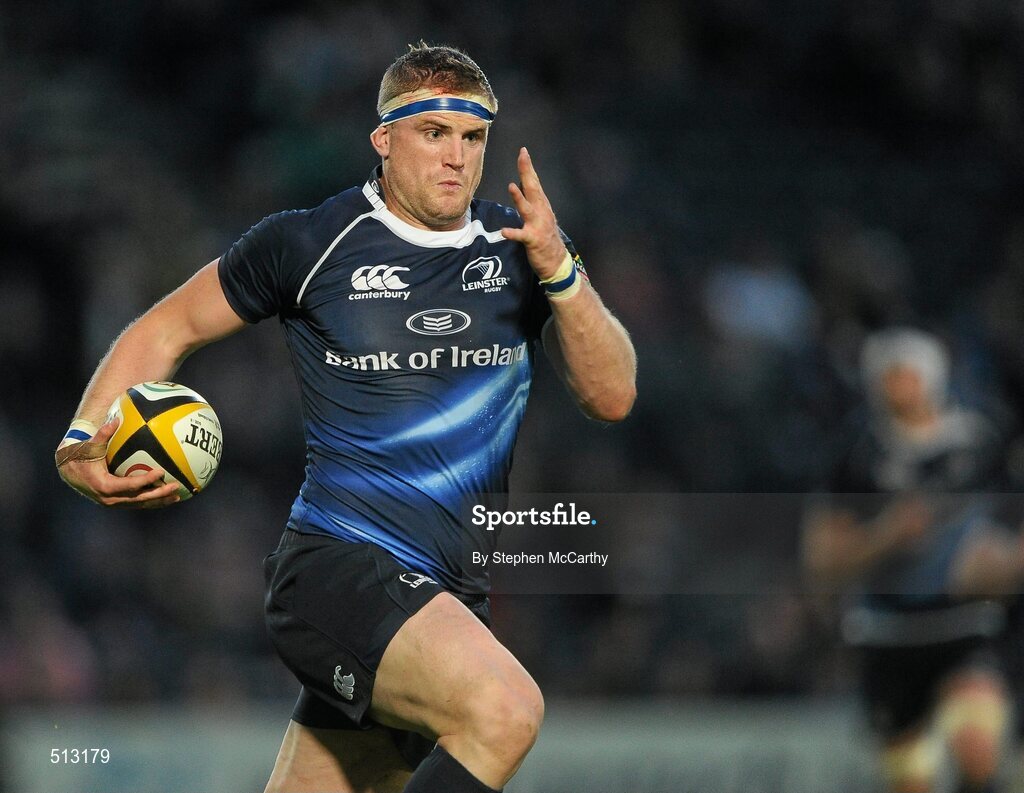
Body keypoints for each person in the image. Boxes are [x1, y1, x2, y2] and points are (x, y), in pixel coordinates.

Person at [54, 44, 637, 793]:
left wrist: (561, 268)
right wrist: (80, 443)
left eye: (472, 137)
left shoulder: (523, 249)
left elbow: (614, 395)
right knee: (504, 709)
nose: (457, 157)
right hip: (337, 571)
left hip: (446, 595)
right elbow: (165, 329)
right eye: (433, 133)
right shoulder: (307, 242)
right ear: (384, 140)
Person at [803, 328, 1018, 793]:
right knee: (910, 780)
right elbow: (820, 561)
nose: (898, 384)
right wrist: (886, 537)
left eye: (907, 373)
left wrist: (1004, 563)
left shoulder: (983, 438)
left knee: (976, 751)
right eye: (888, 374)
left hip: (967, 623)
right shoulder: (854, 454)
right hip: (887, 631)